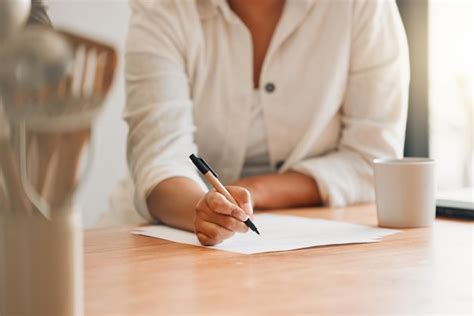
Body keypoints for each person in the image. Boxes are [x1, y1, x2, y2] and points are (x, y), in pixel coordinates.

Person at [124, 0, 409, 245]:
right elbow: (159, 160)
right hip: (172, 234)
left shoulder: (361, 6)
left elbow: (372, 160)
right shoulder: (162, 9)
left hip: (319, 232)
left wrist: (254, 192)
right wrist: (202, 209)